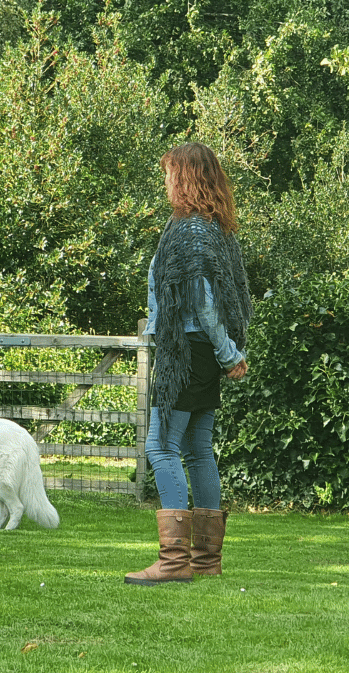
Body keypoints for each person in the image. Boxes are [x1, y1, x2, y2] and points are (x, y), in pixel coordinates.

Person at [125, 142, 252, 585]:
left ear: (185, 178)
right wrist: (226, 352)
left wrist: (228, 352)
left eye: (170, 174)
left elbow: (203, 302)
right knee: (198, 450)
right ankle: (206, 561)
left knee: (160, 446)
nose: (165, 183)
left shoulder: (191, 231)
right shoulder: (210, 228)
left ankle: (175, 562)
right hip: (201, 352)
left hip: (190, 353)